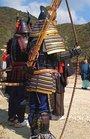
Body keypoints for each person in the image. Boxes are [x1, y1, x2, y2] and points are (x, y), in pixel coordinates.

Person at [26, 6, 81, 138]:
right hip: (44, 77)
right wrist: (74, 52)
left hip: (32, 77)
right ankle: (44, 134)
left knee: (33, 106)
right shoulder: (46, 37)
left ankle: (34, 134)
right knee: (44, 107)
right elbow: (57, 57)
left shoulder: (32, 39)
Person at [6, 19, 30, 128]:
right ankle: (20, 120)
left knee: (13, 96)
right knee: (21, 96)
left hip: (12, 72)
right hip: (21, 72)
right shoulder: (23, 40)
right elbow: (27, 55)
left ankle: (11, 118)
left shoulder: (12, 40)